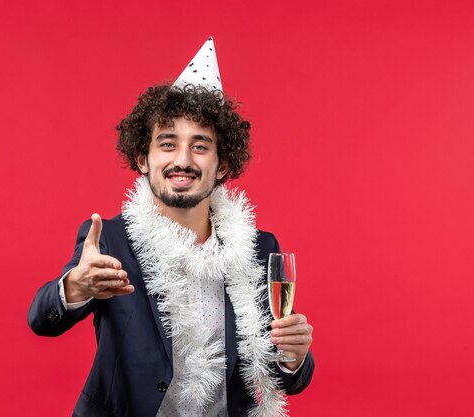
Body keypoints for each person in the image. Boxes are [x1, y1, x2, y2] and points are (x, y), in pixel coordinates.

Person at [28, 37, 314, 417]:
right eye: (167, 144)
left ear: (223, 165)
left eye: (200, 146)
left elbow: (285, 377)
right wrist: (74, 288)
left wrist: (294, 357)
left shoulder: (257, 248)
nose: (183, 160)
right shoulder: (110, 241)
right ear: (142, 159)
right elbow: (41, 321)